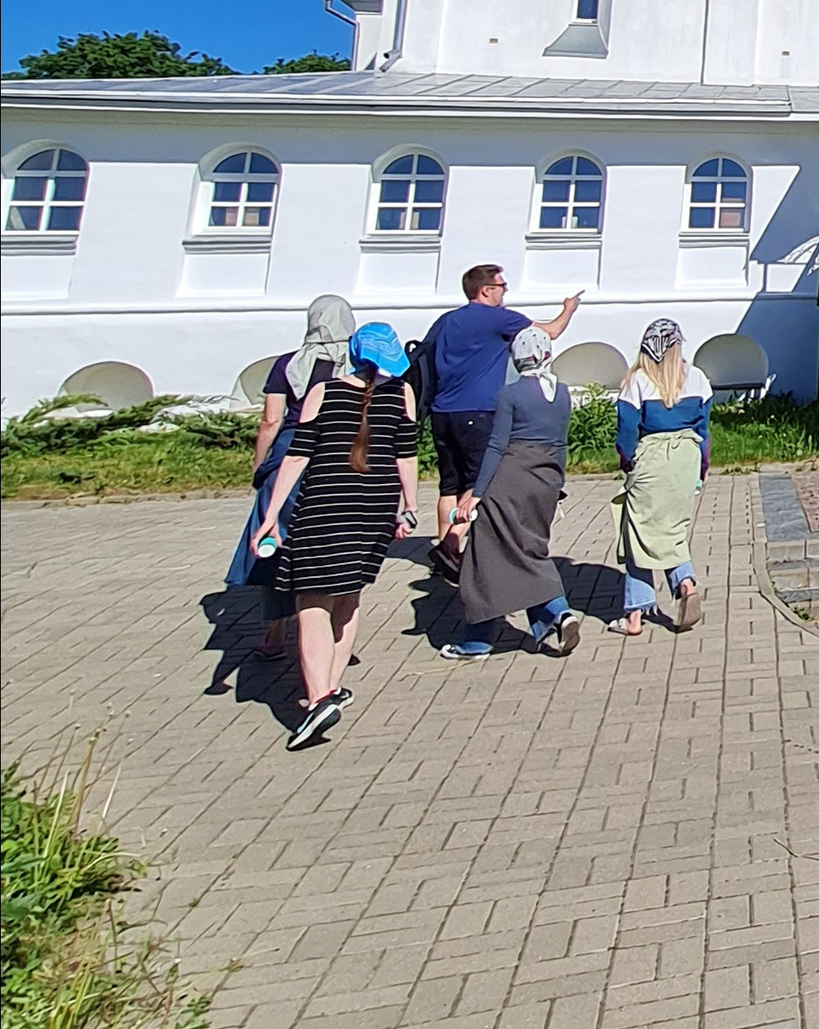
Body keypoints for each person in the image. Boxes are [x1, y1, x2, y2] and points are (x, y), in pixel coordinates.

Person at [254, 320, 420, 749]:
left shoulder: (323, 393)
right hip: (376, 508)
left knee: (311, 603)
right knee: (349, 596)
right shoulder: (403, 395)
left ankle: (317, 698)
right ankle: (331, 685)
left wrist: (271, 515)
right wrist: (410, 508)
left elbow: (297, 457)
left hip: (326, 505)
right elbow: (407, 456)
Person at [226, 295, 354, 660]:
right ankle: (331, 632)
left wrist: (259, 464)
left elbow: (270, 420)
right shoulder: (355, 364)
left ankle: (274, 633)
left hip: (289, 456)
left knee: (274, 544)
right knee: (333, 545)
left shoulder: (288, 364)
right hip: (337, 457)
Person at [441, 326, 581, 660]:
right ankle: (554, 617)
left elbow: (497, 445)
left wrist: (477, 492)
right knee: (529, 546)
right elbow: (560, 444)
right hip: (545, 478)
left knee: (485, 555)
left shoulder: (510, 395)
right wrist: (556, 484)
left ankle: (479, 641)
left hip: (511, 477)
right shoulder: (561, 393)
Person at [421, 265, 582, 549]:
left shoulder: (446, 320)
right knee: (478, 479)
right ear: (486, 290)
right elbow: (550, 333)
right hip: (478, 411)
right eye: (502, 287)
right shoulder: (498, 319)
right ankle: (455, 544)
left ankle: (444, 547)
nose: (505, 292)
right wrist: (569, 309)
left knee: (449, 484)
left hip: (442, 412)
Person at [611, 319, 709, 636]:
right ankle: (685, 582)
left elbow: (627, 432)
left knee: (639, 532)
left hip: (652, 456)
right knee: (673, 529)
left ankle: (635, 615)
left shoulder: (638, 381)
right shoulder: (697, 378)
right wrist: (701, 468)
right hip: (687, 457)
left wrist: (627, 460)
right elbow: (704, 430)